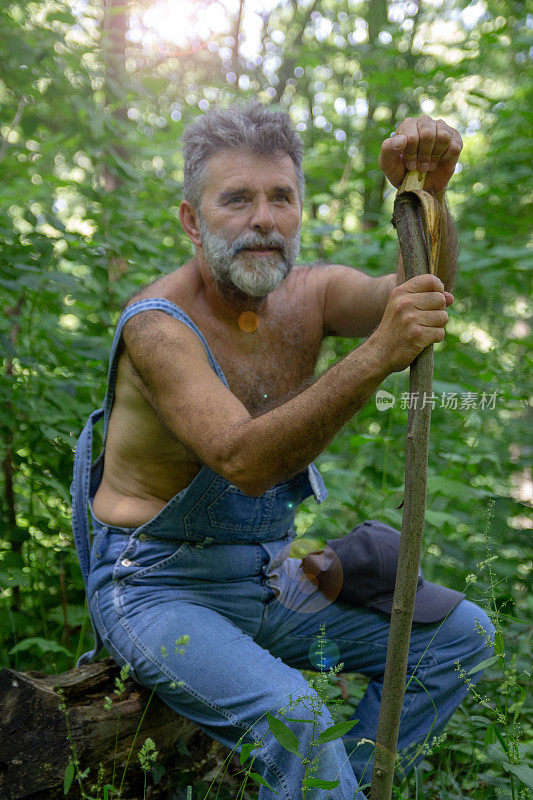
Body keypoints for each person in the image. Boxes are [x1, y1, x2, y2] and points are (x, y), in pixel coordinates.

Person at [72, 104, 495, 799]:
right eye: (235, 198)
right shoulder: (157, 326)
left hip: (269, 581)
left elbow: (421, 291)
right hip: (156, 591)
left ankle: (347, 790)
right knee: (296, 720)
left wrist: (428, 196)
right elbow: (242, 462)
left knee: (461, 636)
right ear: (191, 220)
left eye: (281, 197)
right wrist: (374, 356)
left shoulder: (313, 293)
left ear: (300, 210)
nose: (262, 218)